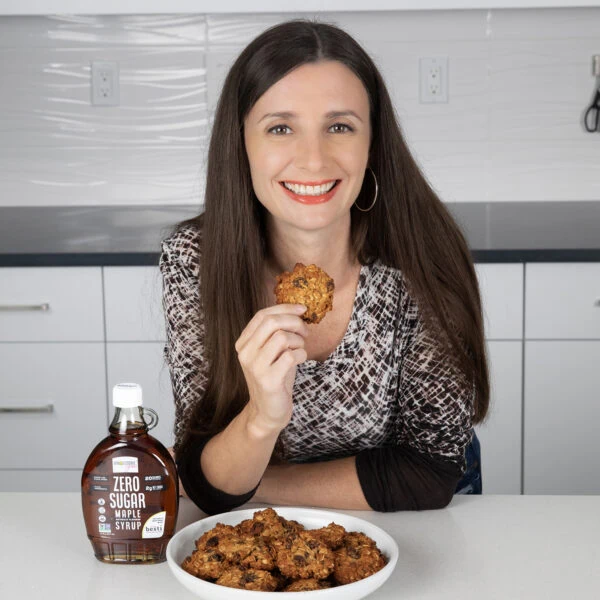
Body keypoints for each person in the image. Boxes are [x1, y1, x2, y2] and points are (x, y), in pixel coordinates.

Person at [160, 19, 489, 515]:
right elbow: (205, 468)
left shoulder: (425, 255)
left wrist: (244, 483)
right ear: (241, 143)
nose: (313, 160)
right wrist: (261, 419)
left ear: (373, 142)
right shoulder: (195, 260)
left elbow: (426, 474)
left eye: (339, 126)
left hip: (421, 522)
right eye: (280, 127)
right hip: (264, 540)